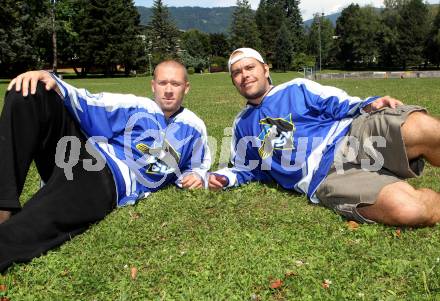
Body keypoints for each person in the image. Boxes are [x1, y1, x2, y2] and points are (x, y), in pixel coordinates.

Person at [0, 60, 210, 272]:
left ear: (186, 87)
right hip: (84, 154)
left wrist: (198, 175)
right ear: (153, 85)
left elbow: (200, 164)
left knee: (34, 222)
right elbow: (91, 103)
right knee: (29, 92)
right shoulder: (137, 106)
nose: (168, 90)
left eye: (175, 84)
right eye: (163, 83)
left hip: (102, 179)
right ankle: (3, 205)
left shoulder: (193, 127)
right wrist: (53, 81)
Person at [209, 47, 440, 227]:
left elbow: (339, 103)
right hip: (326, 176)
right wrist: (224, 178)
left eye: (249, 68)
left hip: (352, 134)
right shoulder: (241, 124)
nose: (244, 75)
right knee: (410, 209)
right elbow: (246, 167)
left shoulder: (296, 88)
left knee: (424, 129)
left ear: (265, 69)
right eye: (237, 73)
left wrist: (370, 104)